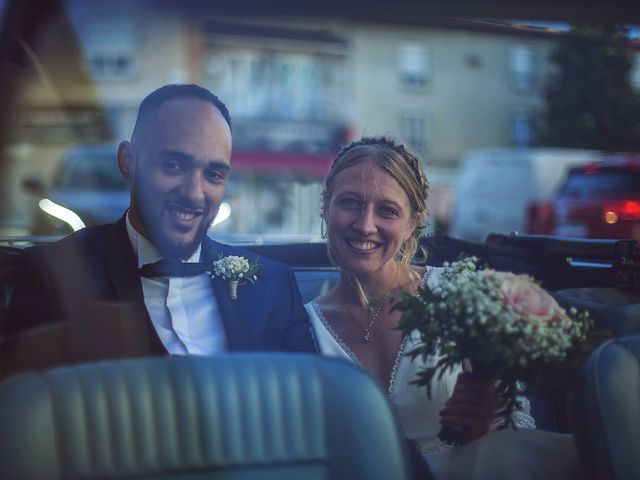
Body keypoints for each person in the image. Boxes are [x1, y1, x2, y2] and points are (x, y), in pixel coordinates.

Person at [304, 136, 582, 479]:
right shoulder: (300, 324)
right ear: (325, 206)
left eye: (387, 210)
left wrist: (487, 424)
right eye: (350, 202)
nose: (365, 224)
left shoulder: (458, 294)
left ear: (413, 223)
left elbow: (515, 434)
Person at [2, 84, 316, 375]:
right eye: (174, 166)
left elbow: (306, 408)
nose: (194, 193)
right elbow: (26, 412)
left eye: (214, 174)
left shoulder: (272, 285)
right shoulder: (56, 276)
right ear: (128, 161)